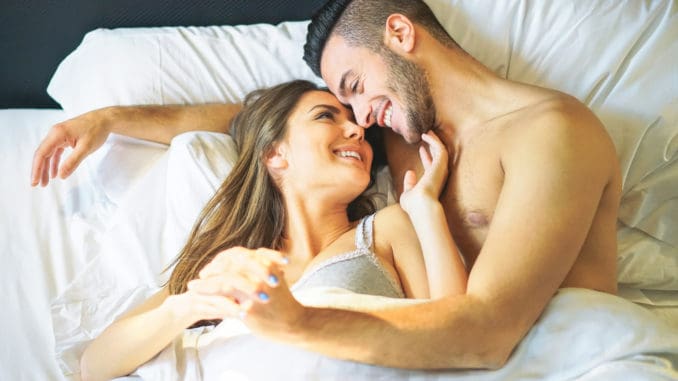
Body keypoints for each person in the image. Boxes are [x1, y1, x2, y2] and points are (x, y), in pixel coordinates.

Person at [31, 0, 622, 371]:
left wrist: (296, 323)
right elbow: (256, 120)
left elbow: (484, 333)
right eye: (340, 107)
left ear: (399, 32)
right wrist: (111, 120)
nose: (358, 119)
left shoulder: (549, 133)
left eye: (355, 86)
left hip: (557, 355)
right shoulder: (400, 137)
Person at [75, 80, 468, 381]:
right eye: (326, 116)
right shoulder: (232, 265)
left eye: (357, 125)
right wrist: (189, 306)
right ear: (274, 154)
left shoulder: (387, 228)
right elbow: (93, 365)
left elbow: (459, 336)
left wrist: (426, 209)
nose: (356, 131)